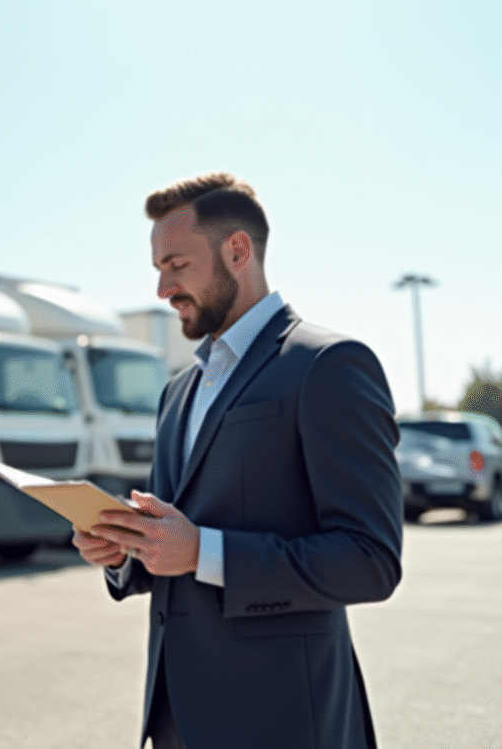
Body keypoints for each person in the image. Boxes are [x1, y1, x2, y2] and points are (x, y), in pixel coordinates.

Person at [73, 173, 402, 749]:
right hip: (176, 719)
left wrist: (203, 551)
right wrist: (125, 550)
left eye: (176, 265)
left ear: (238, 251)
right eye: (157, 269)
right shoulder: (178, 391)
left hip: (284, 722)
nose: (162, 289)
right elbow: (171, 539)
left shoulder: (328, 366)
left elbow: (370, 560)